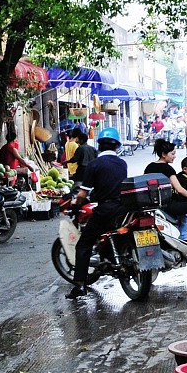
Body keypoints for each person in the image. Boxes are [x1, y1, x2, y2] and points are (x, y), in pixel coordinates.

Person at [67, 127, 128, 299]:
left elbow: (83, 194)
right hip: (123, 209)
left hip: (105, 209)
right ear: (117, 146)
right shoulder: (122, 163)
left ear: (100, 146)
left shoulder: (95, 164)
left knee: (83, 244)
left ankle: (79, 285)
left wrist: (75, 203)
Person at [145, 139, 187, 249]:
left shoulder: (149, 167)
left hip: (152, 205)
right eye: (172, 154)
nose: (174, 156)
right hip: (167, 205)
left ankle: (183, 237)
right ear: (164, 154)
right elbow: (180, 189)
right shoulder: (168, 169)